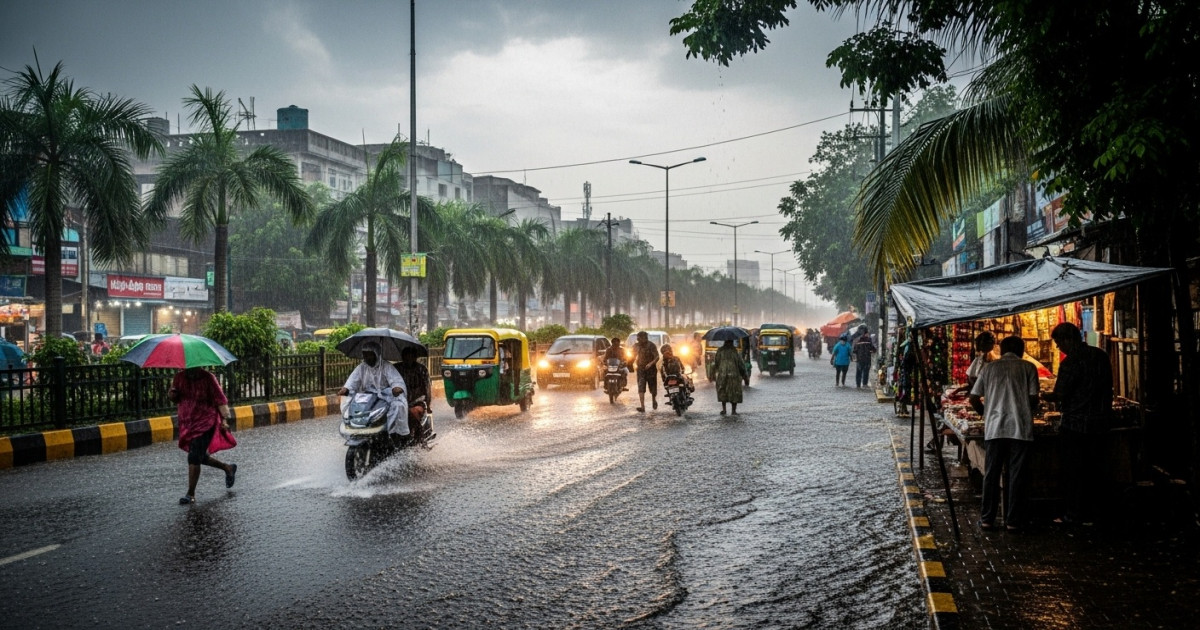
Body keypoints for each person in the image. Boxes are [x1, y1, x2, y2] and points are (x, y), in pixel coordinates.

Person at [969, 335, 1040, 532]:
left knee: (991, 474)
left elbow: (973, 397)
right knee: (1017, 475)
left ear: (1001, 349)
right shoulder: (1028, 368)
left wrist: (986, 413)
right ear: (1021, 349)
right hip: (1020, 427)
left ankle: (987, 519)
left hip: (995, 428)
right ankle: (1013, 521)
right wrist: (1024, 407)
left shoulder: (990, 368)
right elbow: (1034, 398)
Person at [1045, 321, 1113, 525]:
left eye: (1058, 343)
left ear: (1068, 339)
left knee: (1074, 471)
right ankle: (1096, 514)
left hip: (1075, 424)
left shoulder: (1070, 362)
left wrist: (1044, 396)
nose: (1059, 348)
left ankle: (1074, 514)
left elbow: (1060, 393)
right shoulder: (1100, 355)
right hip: (1101, 421)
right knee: (1096, 469)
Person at [169, 367, 237, 505]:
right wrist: (172, 395)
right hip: (188, 423)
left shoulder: (208, 378)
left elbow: (220, 399)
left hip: (206, 422)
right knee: (200, 456)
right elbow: (175, 399)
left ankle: (190, 494)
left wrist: (224, 420)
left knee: (194, 456)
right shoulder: (179, 377)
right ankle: (228, 468)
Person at [338, 341, 409, 437]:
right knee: (347, 402)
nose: (367, 358)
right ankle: (353, 429)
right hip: (367, 397)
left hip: (385, 396)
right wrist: (346, 389)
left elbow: (396, 380)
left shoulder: (386, 366)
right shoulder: (362, 367)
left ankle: (395, 434)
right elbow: (352, 381)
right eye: (365, 355)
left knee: (398, 405)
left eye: (369, 355)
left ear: (376, 354)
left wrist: (396, 387)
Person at [395, 346, 432, 439]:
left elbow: (427, 388)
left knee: (412, 412)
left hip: (417, 402)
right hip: (397, 401)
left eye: (411, 356)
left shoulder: (421, 369)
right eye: (406, 356)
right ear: (402, 357)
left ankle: (419, 436)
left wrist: (428, 405)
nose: (409, 358)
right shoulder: (396, 368)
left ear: (415, 357)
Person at [714, 338, 748, 415]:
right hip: (734, 375)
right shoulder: (735, 351)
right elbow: (741, 364)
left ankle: (724, 410)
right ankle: (733, 411)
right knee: (734, 392)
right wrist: (744, 374)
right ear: (732, 342)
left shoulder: (720, 350)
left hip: (722, 374)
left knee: (723, 391)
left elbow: (716, 362)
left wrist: (718, 369)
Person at [630, 331, 659, 412]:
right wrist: (629, 363)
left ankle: (654, 399)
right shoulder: (636, 346)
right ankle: (642, 407)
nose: (638, 339)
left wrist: (650, 364)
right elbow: (632, 356)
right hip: (641, 369)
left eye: (640, 338)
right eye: (638, 338)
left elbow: (657, 357)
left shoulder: (651, 345)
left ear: (645, 338)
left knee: (652, 387)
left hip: (651, 370)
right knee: (641, 387)